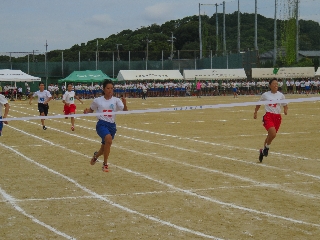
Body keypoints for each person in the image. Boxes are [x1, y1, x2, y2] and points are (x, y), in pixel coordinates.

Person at [84, 79, 128, 172]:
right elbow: (91, 110)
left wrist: (124, 103)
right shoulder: (97, 100)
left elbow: (125, 111)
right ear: (104, 89)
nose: (110, 90)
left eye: (112, 88)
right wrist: (86, 111)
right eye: (108, 88)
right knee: (108, 140)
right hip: (101, 124)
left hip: (112, 126)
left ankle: (96, 156)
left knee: (104, 148)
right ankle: (105, 164)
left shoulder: (116, 100)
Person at [254, 78, 288, 162]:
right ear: (270, 85)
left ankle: (263, 150)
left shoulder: (281, 95)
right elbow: (259, 103)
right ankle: (267, 148)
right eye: (274, 83)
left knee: (270, 135)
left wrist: (285, 110)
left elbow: (285, 104)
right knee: (273, 134)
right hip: (268, 116)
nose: (276, 85)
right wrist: (255, 112)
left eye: (277, 84)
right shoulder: (265, 95)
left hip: (277, 117)